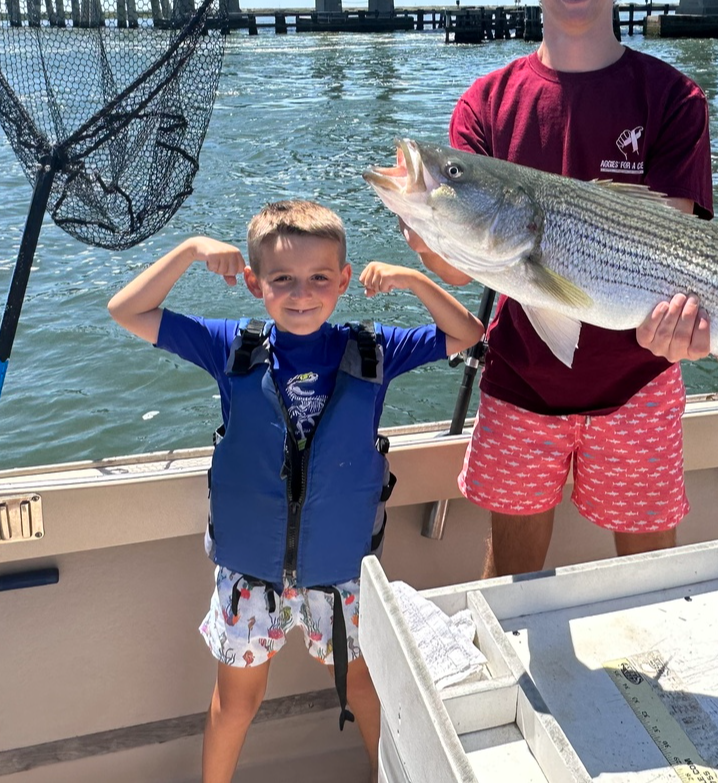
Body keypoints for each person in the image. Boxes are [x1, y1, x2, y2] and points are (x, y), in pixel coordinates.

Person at [108, 200, 484, 783]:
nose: (301, 294)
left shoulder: (374, 349)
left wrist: (412, 279)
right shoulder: (230, 346)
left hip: (340, 574)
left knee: (364, 689)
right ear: (254, 283)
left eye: (318, 278)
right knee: (236, 703)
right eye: (282, 279)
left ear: (344, 280)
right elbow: (127, 309)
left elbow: (467, 333)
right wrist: (190, 250)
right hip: (249, 574)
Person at [406, 0, 714, 579]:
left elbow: (679, 252)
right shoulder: (485, 103)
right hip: (521, 383)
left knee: (648, 587)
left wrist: (688, 327)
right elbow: (461, 268)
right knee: (509, 587)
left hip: (641, 382)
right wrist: (428, 236)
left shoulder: (673, 99)